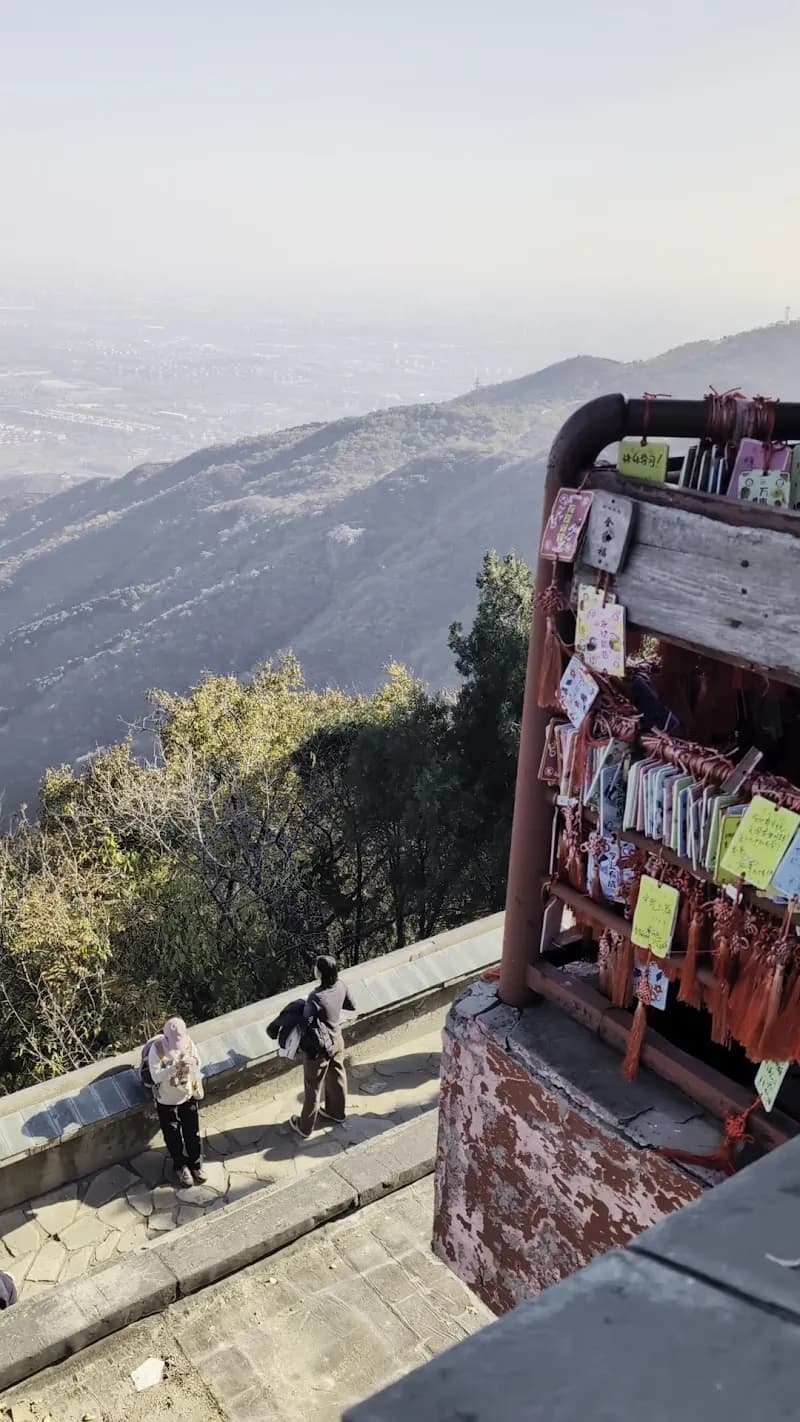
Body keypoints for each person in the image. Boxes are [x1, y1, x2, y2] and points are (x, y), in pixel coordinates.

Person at [290, 955, 356, 1138]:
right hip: (337, 1040)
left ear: (319, 972)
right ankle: (337, 1113)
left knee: (312, 1086)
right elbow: (352, 1005)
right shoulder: (341, 985)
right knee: (337, 1076)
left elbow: (307, 1020)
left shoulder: (315, 997)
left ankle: (305, 1127)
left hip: (319, 1047)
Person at [149, 1017, 206, 1188]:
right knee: (173, 1136)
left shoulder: (188, 1042)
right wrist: (173, 1067)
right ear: (166, 1037)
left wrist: (192, 1062)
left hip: (187, 1095)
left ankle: (196, 1165)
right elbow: (155, 1076)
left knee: (192, 1133)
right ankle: (181, 1167)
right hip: (166, 1101)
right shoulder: (157, 1049)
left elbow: (198, 1061)